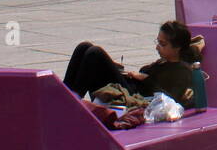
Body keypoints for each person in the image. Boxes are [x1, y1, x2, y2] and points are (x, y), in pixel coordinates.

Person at [63, 20, 202, 105]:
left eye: (162, 44)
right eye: (157, 42)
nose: (157, 47)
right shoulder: (163, 61)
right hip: (131, 86)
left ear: (177, 47)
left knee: (94, 53)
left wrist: (146, 79)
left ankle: (70, 103)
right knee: (84, 47)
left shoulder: (182, 70)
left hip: (136, 97)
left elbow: (171, 100)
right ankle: (63, 96)